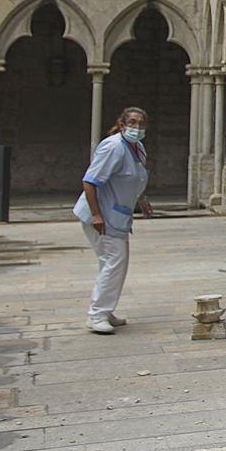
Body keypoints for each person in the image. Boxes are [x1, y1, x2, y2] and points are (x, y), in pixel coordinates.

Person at [75, 105, 154, 334]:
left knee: (109, 262)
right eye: (132, 122)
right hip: (104, 214)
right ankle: (97, 315)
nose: (136, 127)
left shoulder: (137, 147)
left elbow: (134, 178)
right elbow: (89, 181)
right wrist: (97, 215)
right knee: (115, 262)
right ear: (122, 124)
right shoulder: (113, 147)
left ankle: (105, 310)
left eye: (141, 123)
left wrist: (142, 200)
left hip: (116, 214)